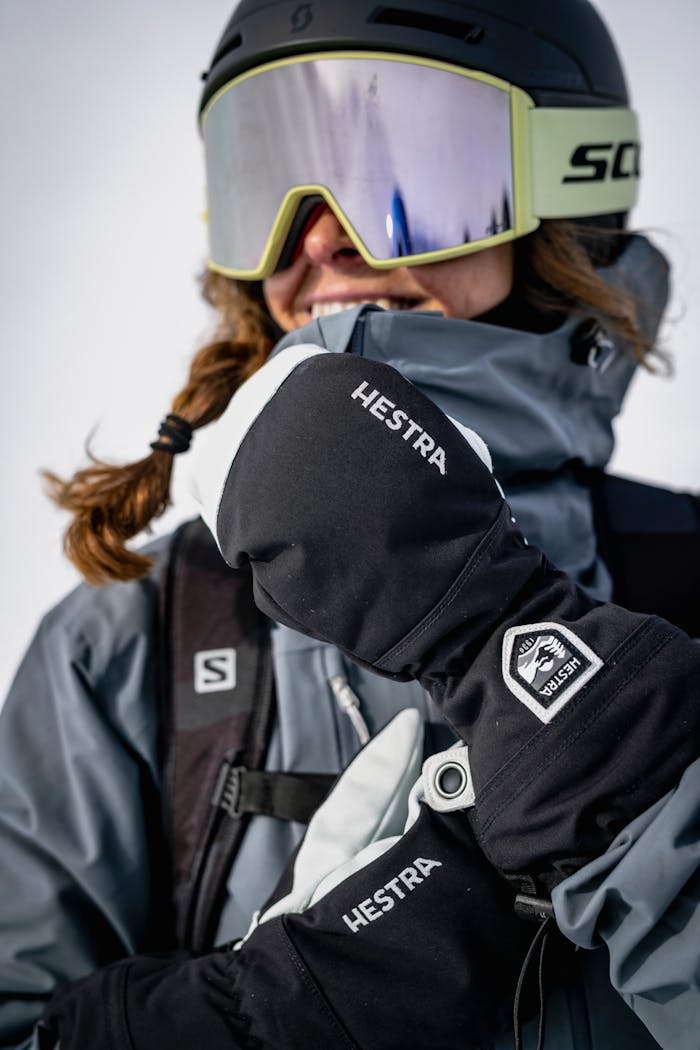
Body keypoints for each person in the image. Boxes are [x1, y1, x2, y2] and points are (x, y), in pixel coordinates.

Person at [1, 1, 699, 1048]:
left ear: (567, 189)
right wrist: (287, 1009)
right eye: (267, 176)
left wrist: (520, 659)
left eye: (406, 168)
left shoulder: (688, 574)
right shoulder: (132, 643)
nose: (320, 234)